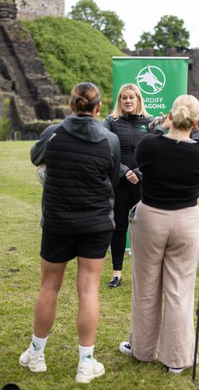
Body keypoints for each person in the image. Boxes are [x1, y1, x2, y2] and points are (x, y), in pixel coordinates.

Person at [19, 82, 121, 384]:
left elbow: (36, 157)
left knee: (49, 287)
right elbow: (111, 179)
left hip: (58, 222)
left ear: (72, 105)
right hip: (95, 223)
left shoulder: (53, 132)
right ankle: (85, 363)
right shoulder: (110, 139)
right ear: (98, 108)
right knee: (88, 290)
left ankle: (36, 354)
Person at [119, 94, 199, 374]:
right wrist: (192, 130)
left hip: (150, 219)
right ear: (196, 122)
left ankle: (143, 350)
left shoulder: (149, 144)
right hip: (185, 221)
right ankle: (176, 357)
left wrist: (158, 126)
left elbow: (149, 138)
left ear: (170, 115)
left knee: (146, 288)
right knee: (179, 291)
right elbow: (196, 153)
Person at [103, 83, 174, 288]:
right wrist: (125, 171)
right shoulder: (111, 121)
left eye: (131, 97)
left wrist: (140, 173)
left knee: (145, 229)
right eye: (124, 98)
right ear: (119, 101)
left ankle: (144, 274)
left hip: (144, 184)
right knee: (118, 228)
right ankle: (117, 273)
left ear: (139, 100)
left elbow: (158, 152)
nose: (127, 101)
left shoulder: (151, 122)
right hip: (119, 183)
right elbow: (105, 149)